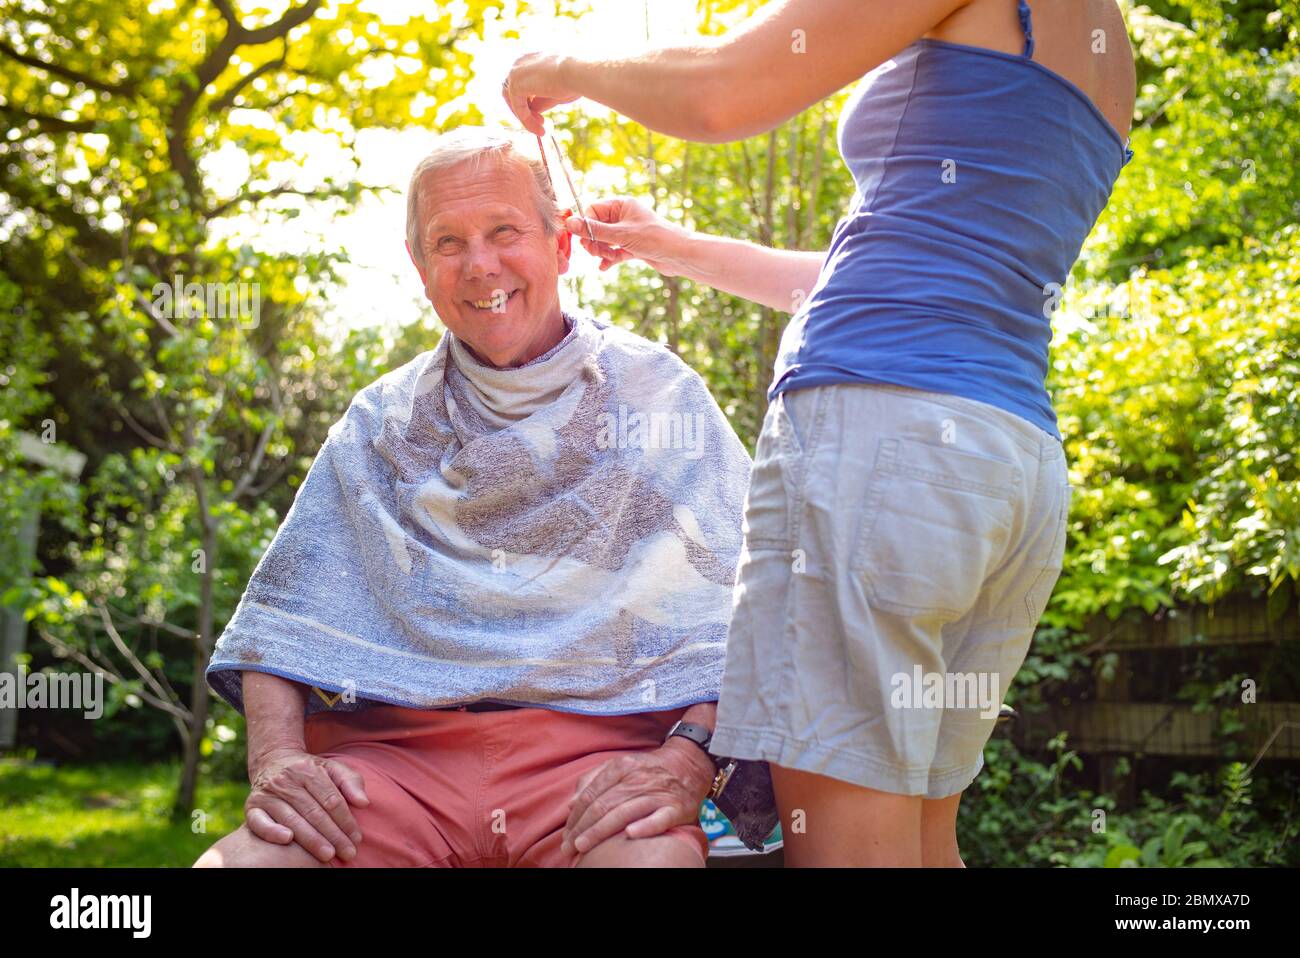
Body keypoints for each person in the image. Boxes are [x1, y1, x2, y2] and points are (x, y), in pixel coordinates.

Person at [503, 0, 1136, 866]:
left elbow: (720, 92)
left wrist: (561, 67)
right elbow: (887, 270)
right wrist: (671, 245)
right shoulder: (1106, 45)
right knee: (922, 840)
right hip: (1006, 466)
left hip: (880, 447)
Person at [193, 126, 762, 868]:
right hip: (391, 771)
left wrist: (687, 760)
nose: (480, 265)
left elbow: (753, 613)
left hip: (596, 767)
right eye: (448, 242)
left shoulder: (661, 397)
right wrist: (277, 764)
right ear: (421, 266)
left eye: (504, 232)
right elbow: (280, 623)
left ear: (560, 246)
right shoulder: (381, 421)